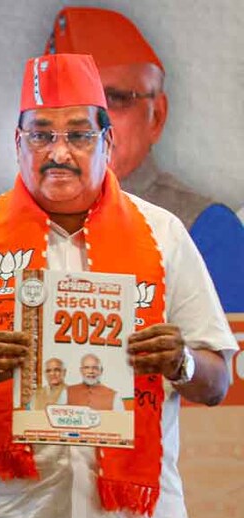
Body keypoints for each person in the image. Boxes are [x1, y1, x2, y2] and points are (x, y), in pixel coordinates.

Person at [0, 53, 237, 518]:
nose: (59, 152)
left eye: (78, 134)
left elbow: (215, 382)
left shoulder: (163, 236)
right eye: (41, 134)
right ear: (17, 144)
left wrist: (180, 362)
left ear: (108, 144)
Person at [45, 6, 244, 312]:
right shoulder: (3, 223)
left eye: (114, 99)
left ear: (157, 116)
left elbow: (231, 357)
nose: (88, 122)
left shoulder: (204, 229)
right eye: (68, 102)